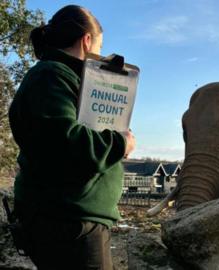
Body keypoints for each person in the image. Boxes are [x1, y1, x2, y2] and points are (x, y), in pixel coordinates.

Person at [8, 5, 135, 269]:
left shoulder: (58, 76)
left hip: (73, 220)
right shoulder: (51, 75)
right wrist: (121, 142)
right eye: (99, 47)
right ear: (87, 41)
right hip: (69, 223)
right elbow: (66, 144)